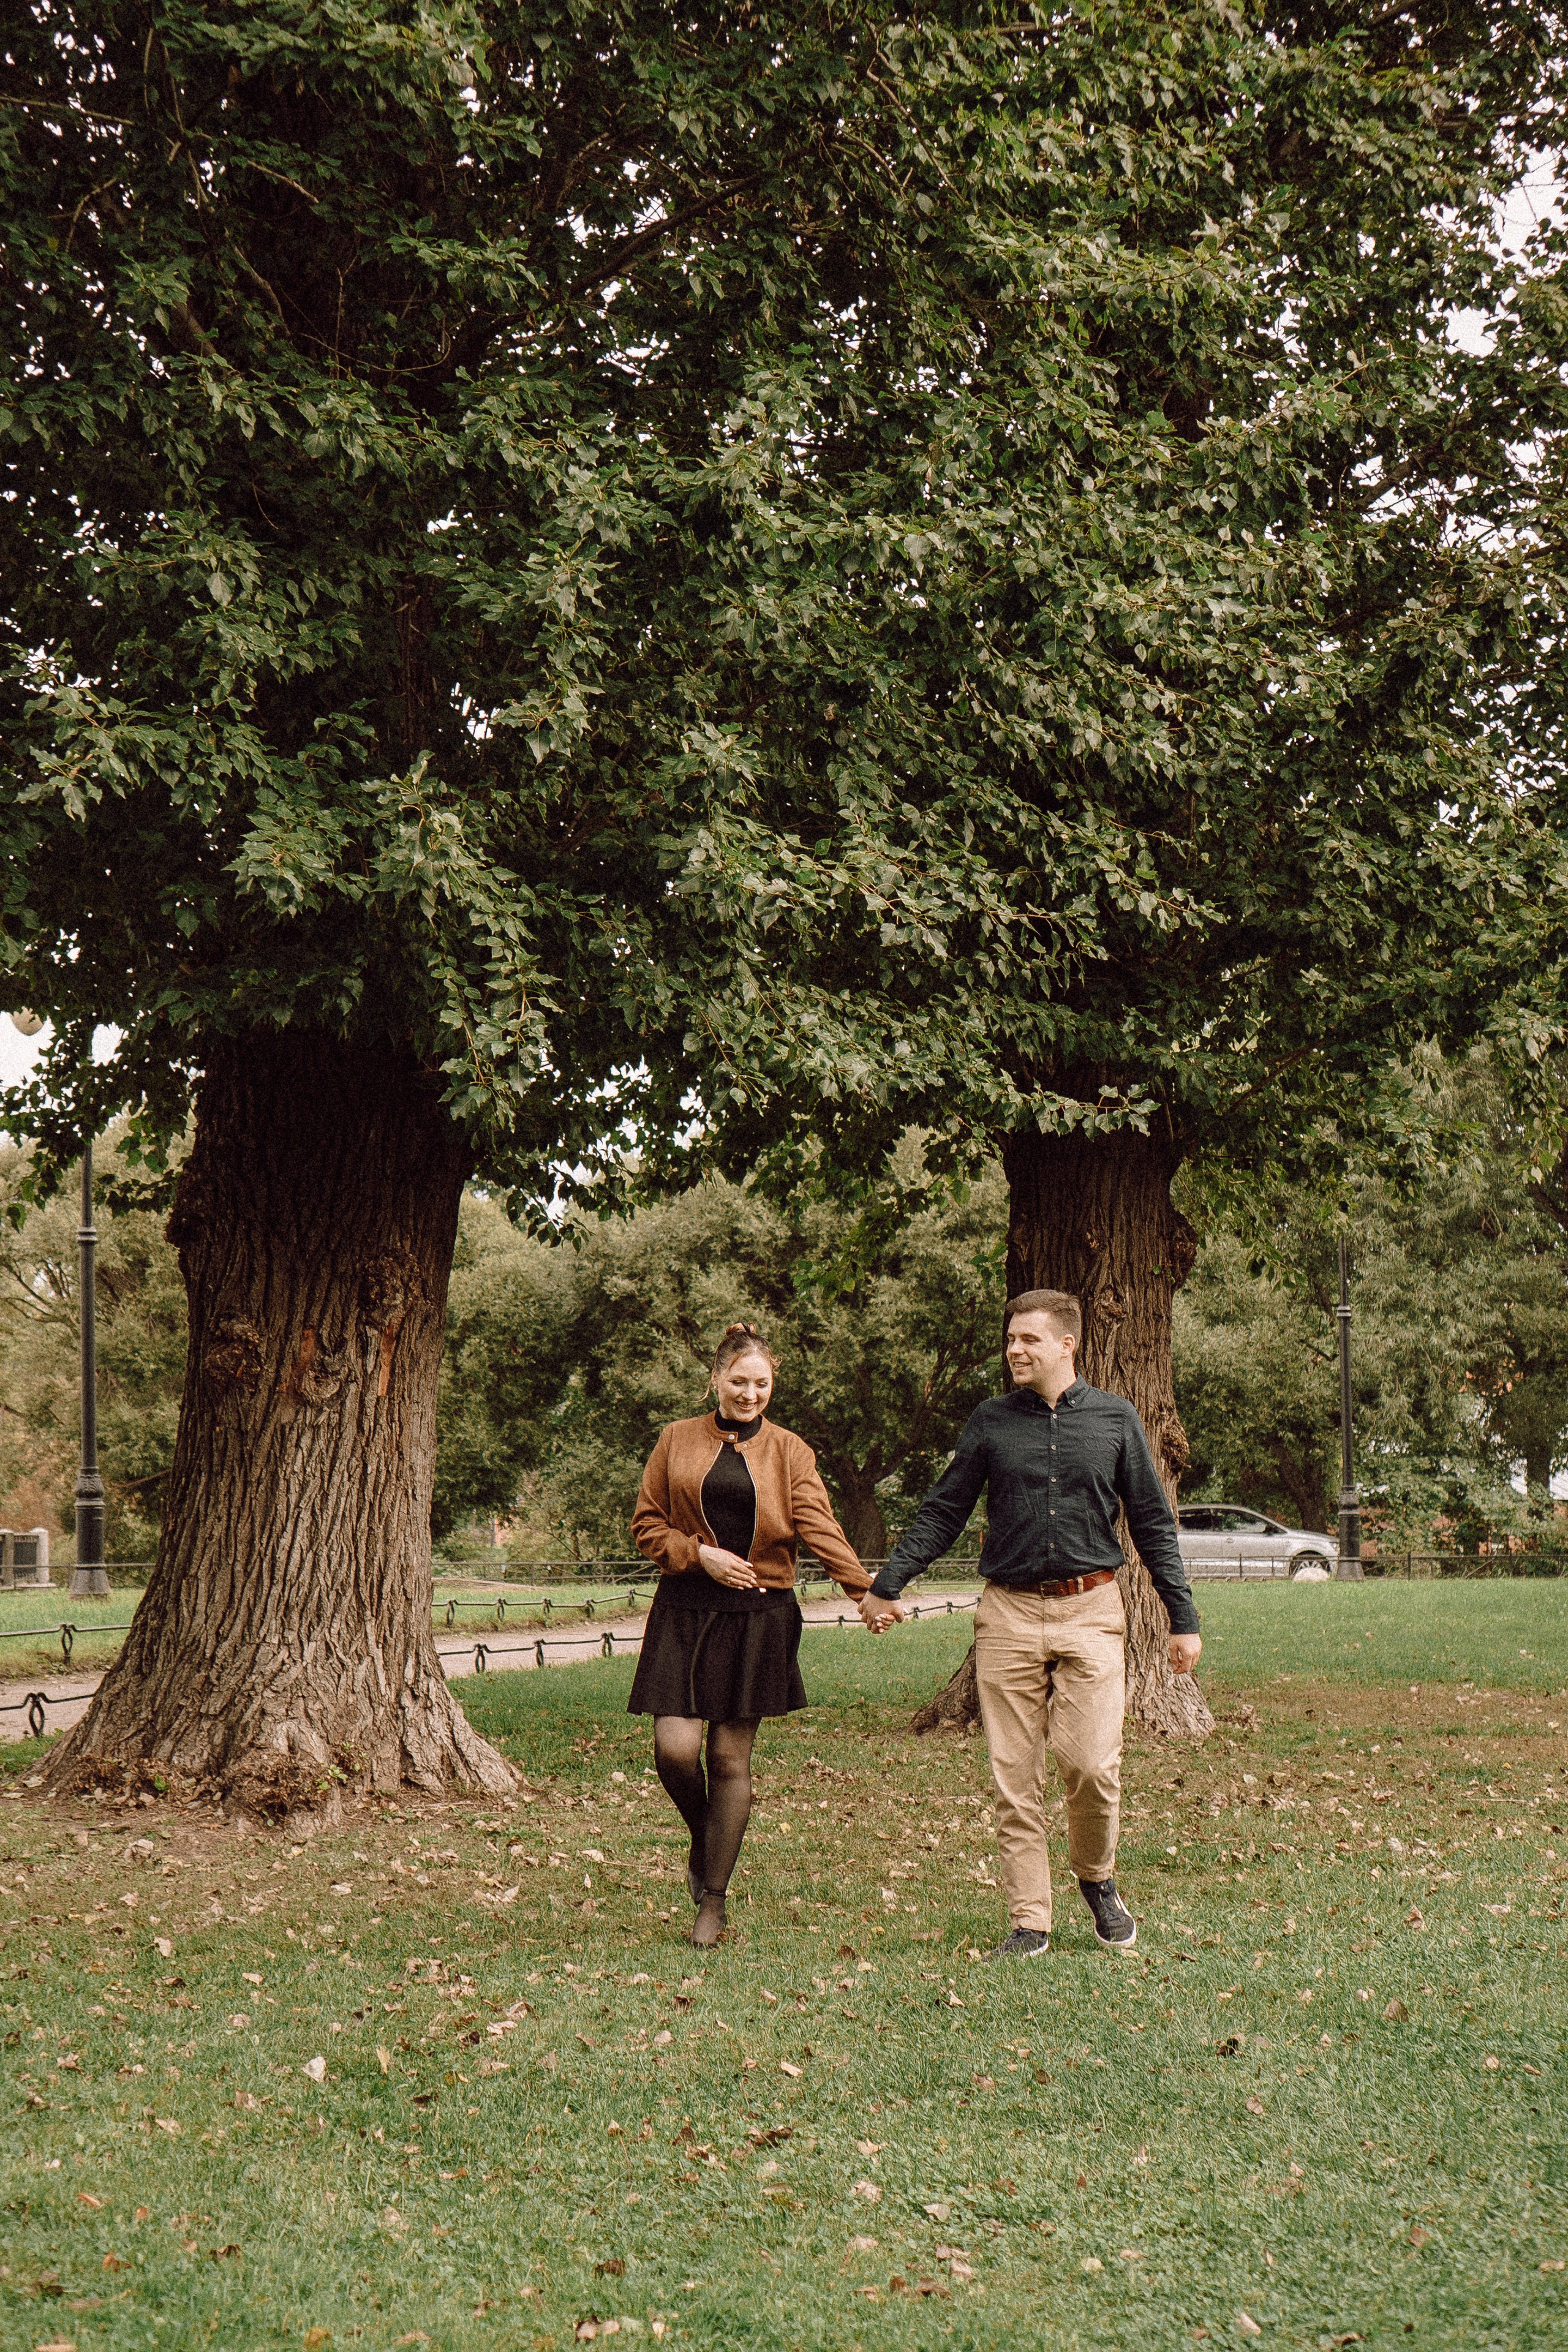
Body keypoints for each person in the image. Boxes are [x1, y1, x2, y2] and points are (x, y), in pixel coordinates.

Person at [865, 1287, 1201, 1959]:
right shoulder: (990, 1422)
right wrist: (888, 1583)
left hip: (1091, 1610)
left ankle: (1097, 1879)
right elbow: (943, 1510)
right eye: (1010, 1339)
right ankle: (1029, 1921)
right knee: (1014, 1777)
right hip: (1009, 1614)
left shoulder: (1115, 1419)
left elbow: (1153, 1523)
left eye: (1028, 1340)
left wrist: (1181, 1616)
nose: (1014, 1350)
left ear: (1067, 1345)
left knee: (1090, 1766)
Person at [629, 1321, 885, 1947]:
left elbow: (818, 1526)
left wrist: (862, 1590)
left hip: (759, 1616)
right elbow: (645, 1525)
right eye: (738, 1382)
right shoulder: (674, 1440)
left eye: (761, 1384)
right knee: (676, 1750)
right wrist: (697, 1554)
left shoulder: (791, 1451)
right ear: (716, 1379)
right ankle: (707, 1836)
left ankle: (711, 1901)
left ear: (772, 1386)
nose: (749, 1394)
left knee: (728, 1758)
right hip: (685, 1610)